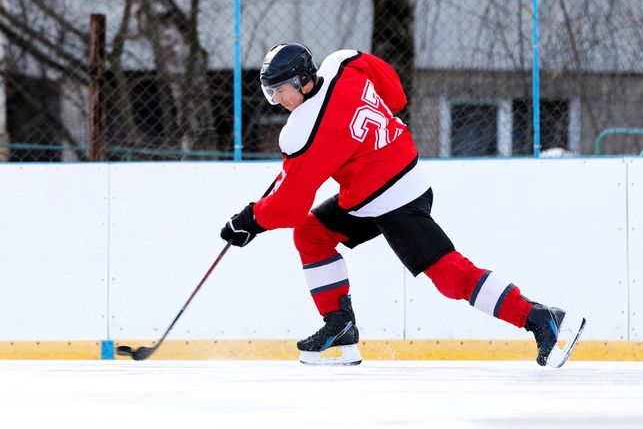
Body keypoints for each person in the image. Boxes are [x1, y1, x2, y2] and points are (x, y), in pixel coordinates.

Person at [220, 43, 585, 367]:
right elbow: (393, 91)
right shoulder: (344, 63)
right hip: (388, 183)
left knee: (450, 276)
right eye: (272, 95)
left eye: (280, 91)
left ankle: (539, 318)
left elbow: (288, 206)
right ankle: (340, 325)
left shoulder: (304, 130)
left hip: (393, 199)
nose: (278, 101)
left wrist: (249, 220)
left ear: (302, 81)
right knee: (312, 233)